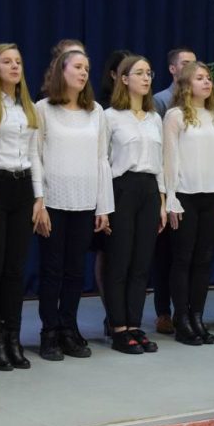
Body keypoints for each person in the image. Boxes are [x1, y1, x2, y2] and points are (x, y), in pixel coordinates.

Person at [0, 43, 49, 371]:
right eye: (7, 62)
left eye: (18, 61)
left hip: (22, 187)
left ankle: (13, 336)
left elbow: (33, 155)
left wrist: (39, 197)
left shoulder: (27, 107)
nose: (15, 66)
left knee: (16, 268)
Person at [35, 49, 113, 361]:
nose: (83, 73)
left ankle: (69, 327)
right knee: (52, 270)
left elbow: (101, 159)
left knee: (75, 271)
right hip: (53, 202)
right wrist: (39, 202)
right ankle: (49, 331)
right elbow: (36, 158)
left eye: (87, 68)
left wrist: (103, 206)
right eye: (78, 67)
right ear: (61, 71)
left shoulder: (96, 112)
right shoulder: (43, 109)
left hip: (84, 201)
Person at [103, 55, 166, 355]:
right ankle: (118, 327)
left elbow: (161, 163)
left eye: (149, 73)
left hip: (149, 190)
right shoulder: (110, 117)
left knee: (142, 262)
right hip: (122, 188)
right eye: (139, 73)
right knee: (120, 260)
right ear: (124, 79)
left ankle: (134, 324)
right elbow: (103, 161)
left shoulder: (155, 118)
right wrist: (104, 204)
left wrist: (163, 201)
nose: (146, 78)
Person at [163, 61, 214, 346]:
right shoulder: (175, 116)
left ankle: (197, 315)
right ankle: (181, 317)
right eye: (200, 78)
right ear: (187, 84)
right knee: (183, 259)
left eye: (209, 78)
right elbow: (170, 159)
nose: (207, 82)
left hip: (211, 195)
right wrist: (171, 197)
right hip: (185, 195)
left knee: (204, 259)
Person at [152, 47, 196, 334]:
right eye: (185, 63)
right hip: (169, 187)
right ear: (172, 69)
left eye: (195, 63)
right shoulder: (161, 101)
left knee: (187, 254)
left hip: (193, 187)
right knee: (165, 255)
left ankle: (188, 309)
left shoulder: (201, 105)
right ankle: (163, 311)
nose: (191, 68)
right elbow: (160, 149)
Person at [93, 49, 132, 338]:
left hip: (137, 193)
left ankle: (127, 315)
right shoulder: (104, 111)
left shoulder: (144, 111)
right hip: (110, 190)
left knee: (132, 258)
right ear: (114, 75)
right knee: (108, 254)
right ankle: (113, 314)